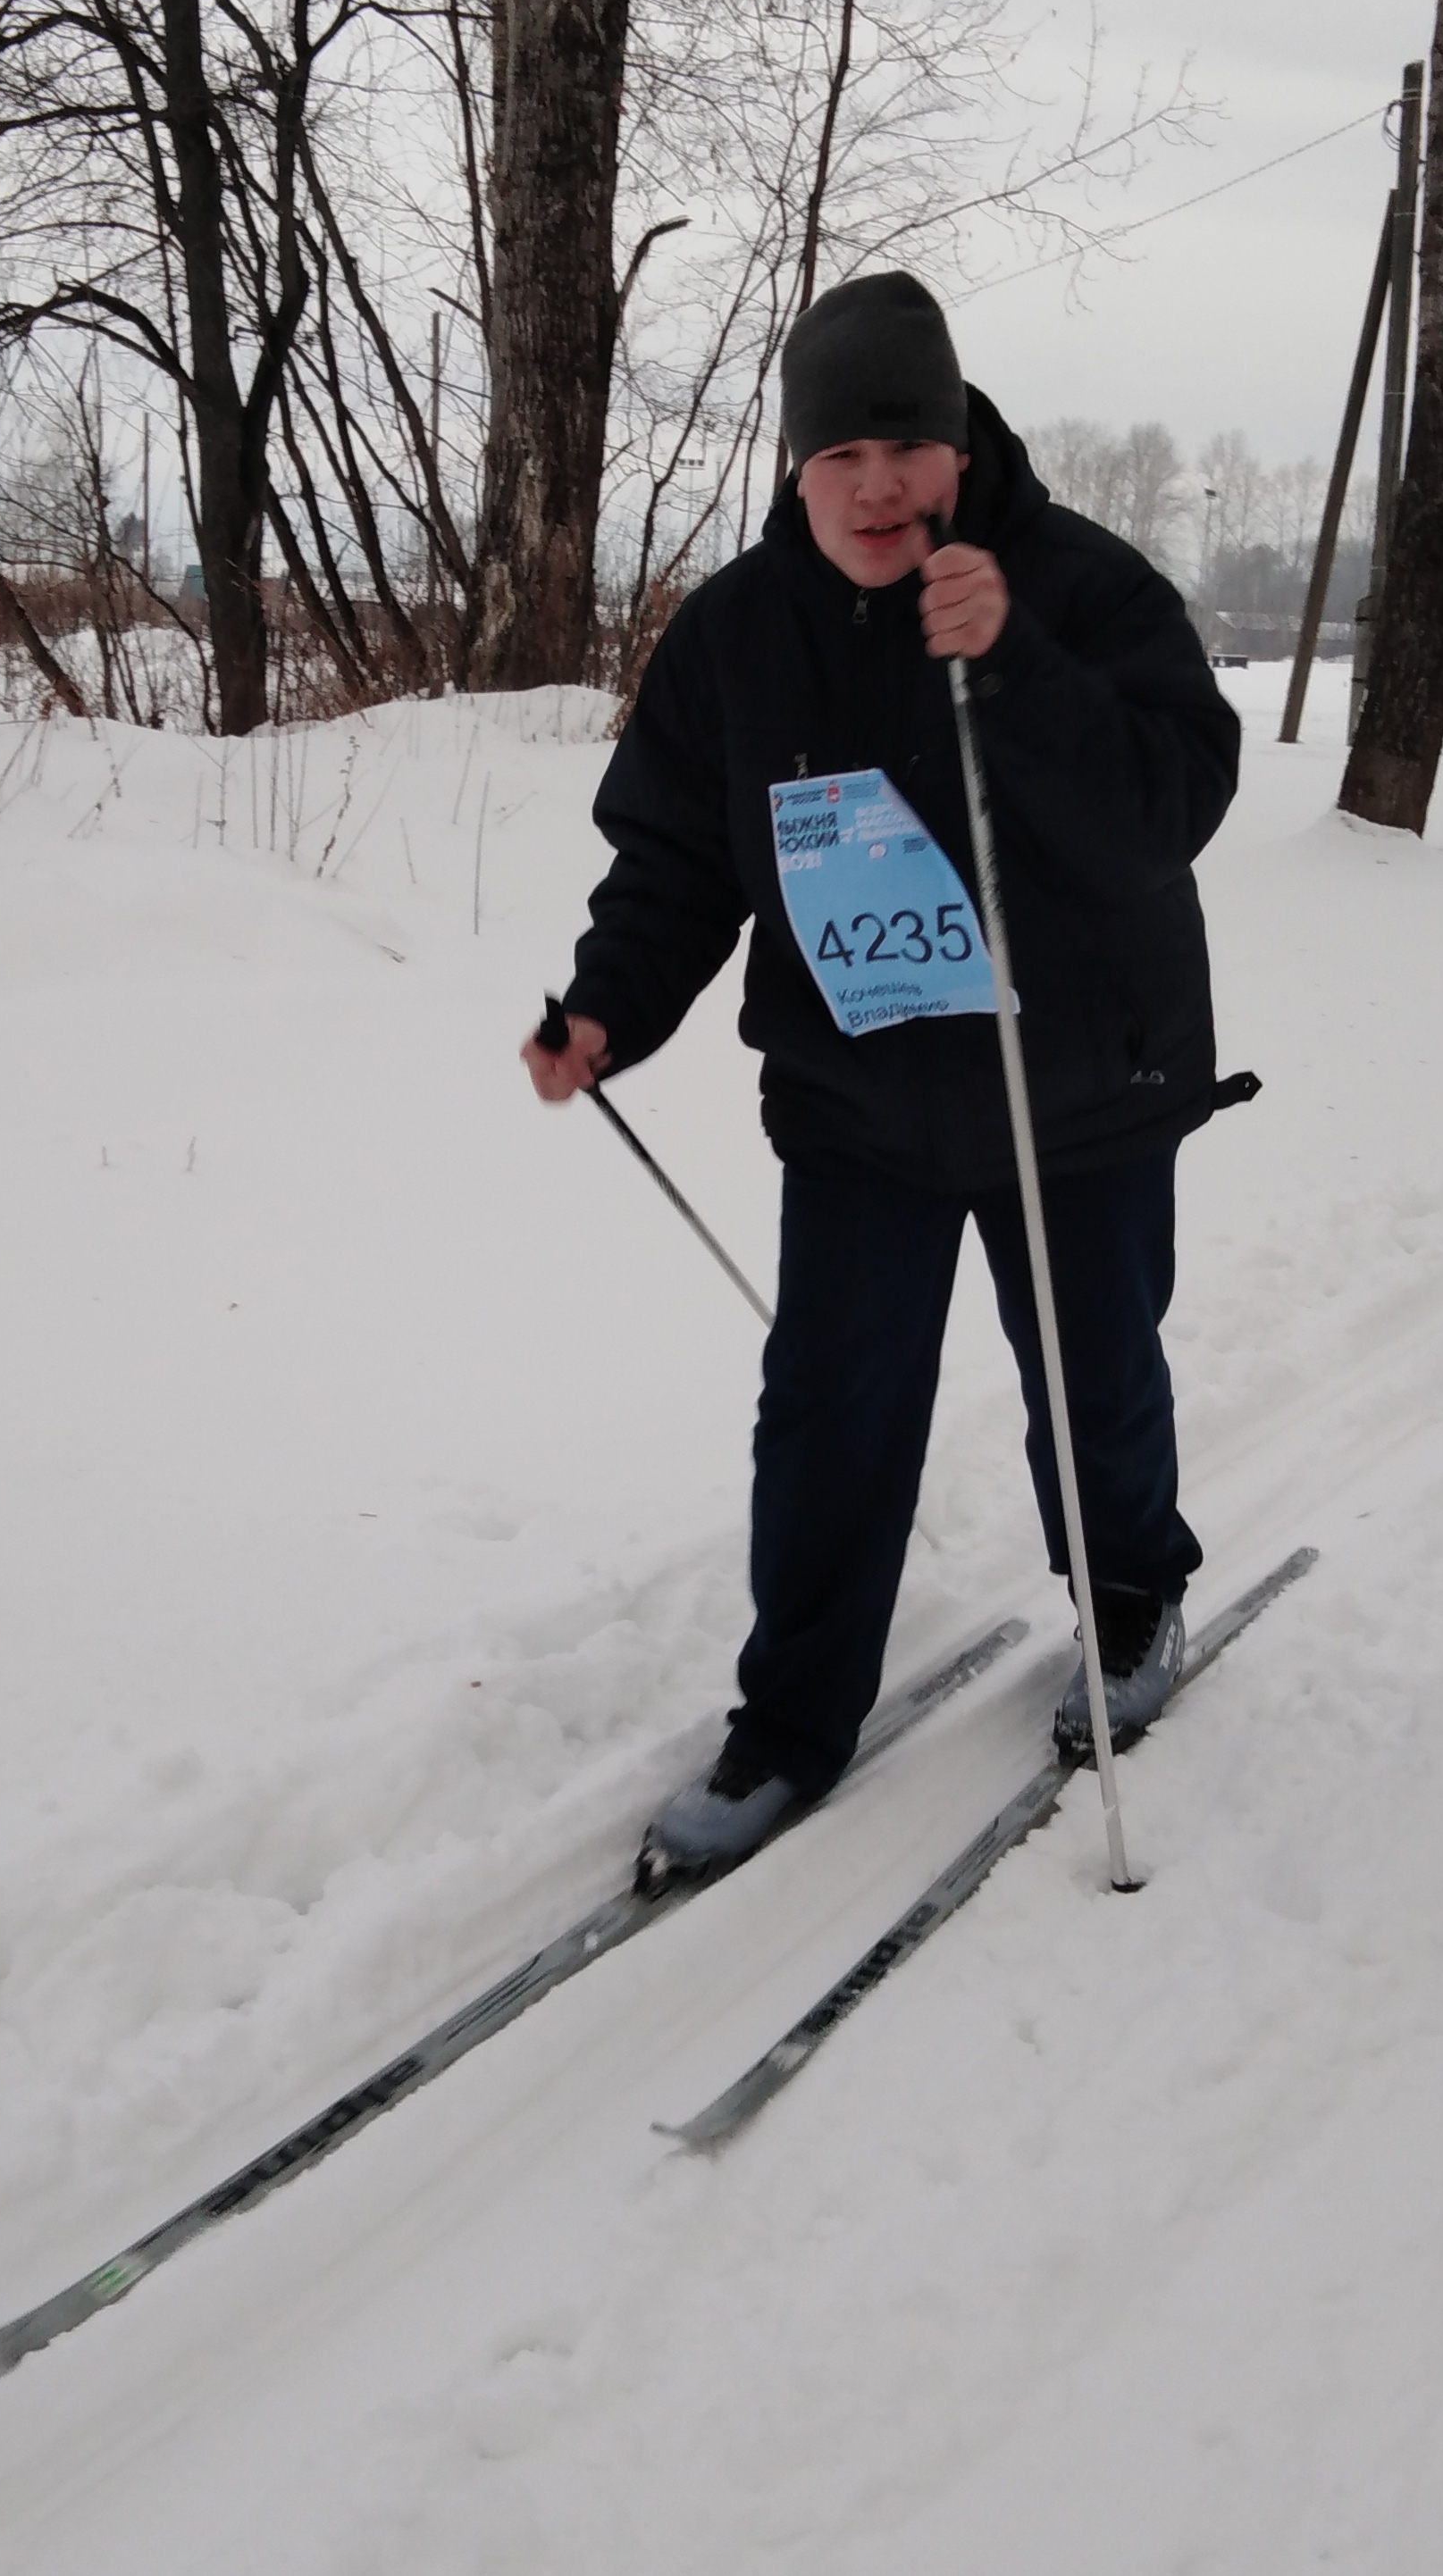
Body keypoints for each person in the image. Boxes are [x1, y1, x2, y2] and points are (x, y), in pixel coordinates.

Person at [524, 271, 1242, 1880]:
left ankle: (1133, 1601)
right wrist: (606, 1010)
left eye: (907, 446)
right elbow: (675, 859)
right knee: (830, 1414)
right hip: (861, 1103)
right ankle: (790, 1721)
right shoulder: (738, 634)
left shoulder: (1084, 588)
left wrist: (1019, 664)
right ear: (796, 465)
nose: (876, 486)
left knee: (1094, 1378)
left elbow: (1170, 804)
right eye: (840, 454)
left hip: (1081, 1087)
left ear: (960, 447)